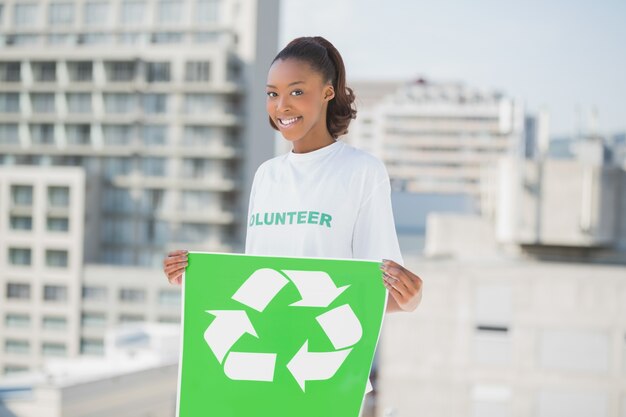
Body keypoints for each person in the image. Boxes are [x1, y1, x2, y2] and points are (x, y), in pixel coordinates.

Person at [163, 36, 422, 313]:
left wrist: (412, 299)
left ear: (327, 92)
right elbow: (257, 285)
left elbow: (383, 292)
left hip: (326, 349)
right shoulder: (267, 175)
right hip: (264, 347)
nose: (281, 105)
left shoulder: (362, 171)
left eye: (297, 92)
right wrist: (194, 278)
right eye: (273, 93)